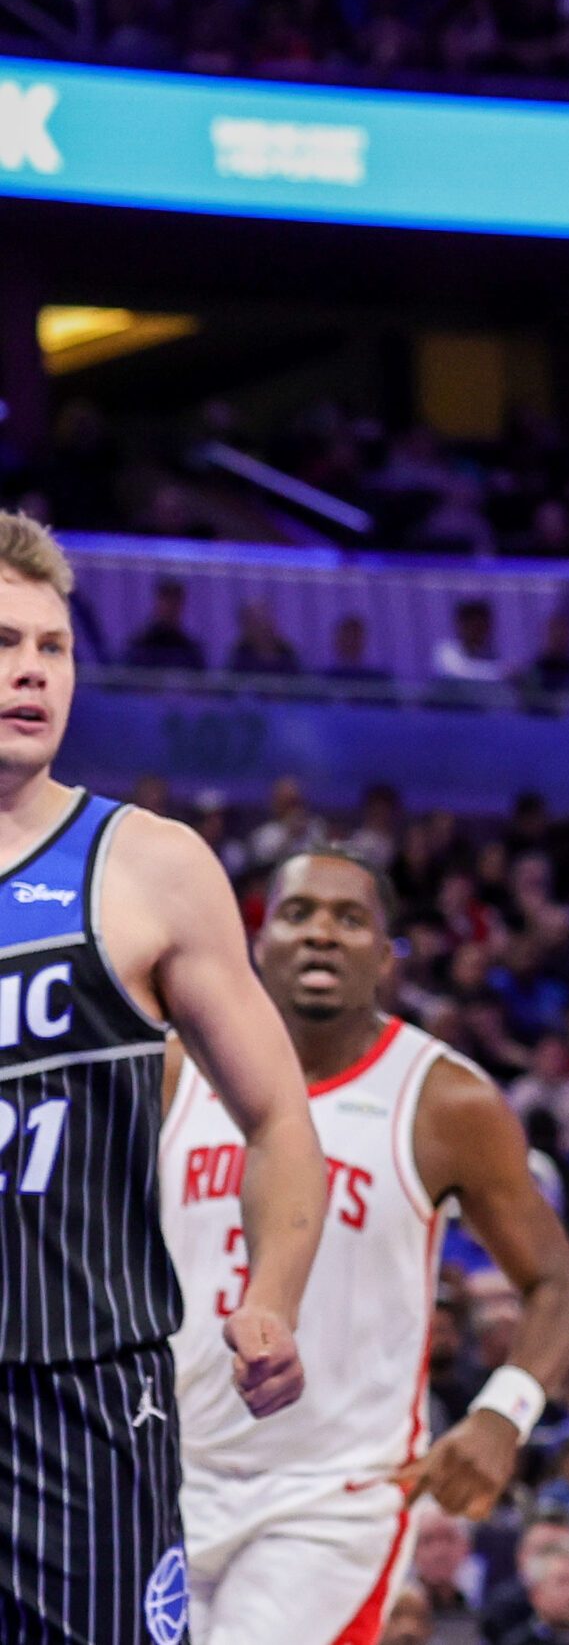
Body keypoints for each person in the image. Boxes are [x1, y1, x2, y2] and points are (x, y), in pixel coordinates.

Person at [0, 512, 328, 1643]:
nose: (32, 671)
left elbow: (278, 1115)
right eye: (4, 644)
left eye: (52, 647)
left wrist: (272, 1298)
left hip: (88, 1397)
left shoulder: (149, 866)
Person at [163, 845, 569, 1642]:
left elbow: (559, 1287)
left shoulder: (445, 1099)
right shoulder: (174, 1067)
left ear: (388, 957)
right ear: (259, 940)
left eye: (349, 918)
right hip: (164, 1468)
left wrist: (502, 1414)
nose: (321, 933)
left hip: (334, 1497)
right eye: (298, 913)